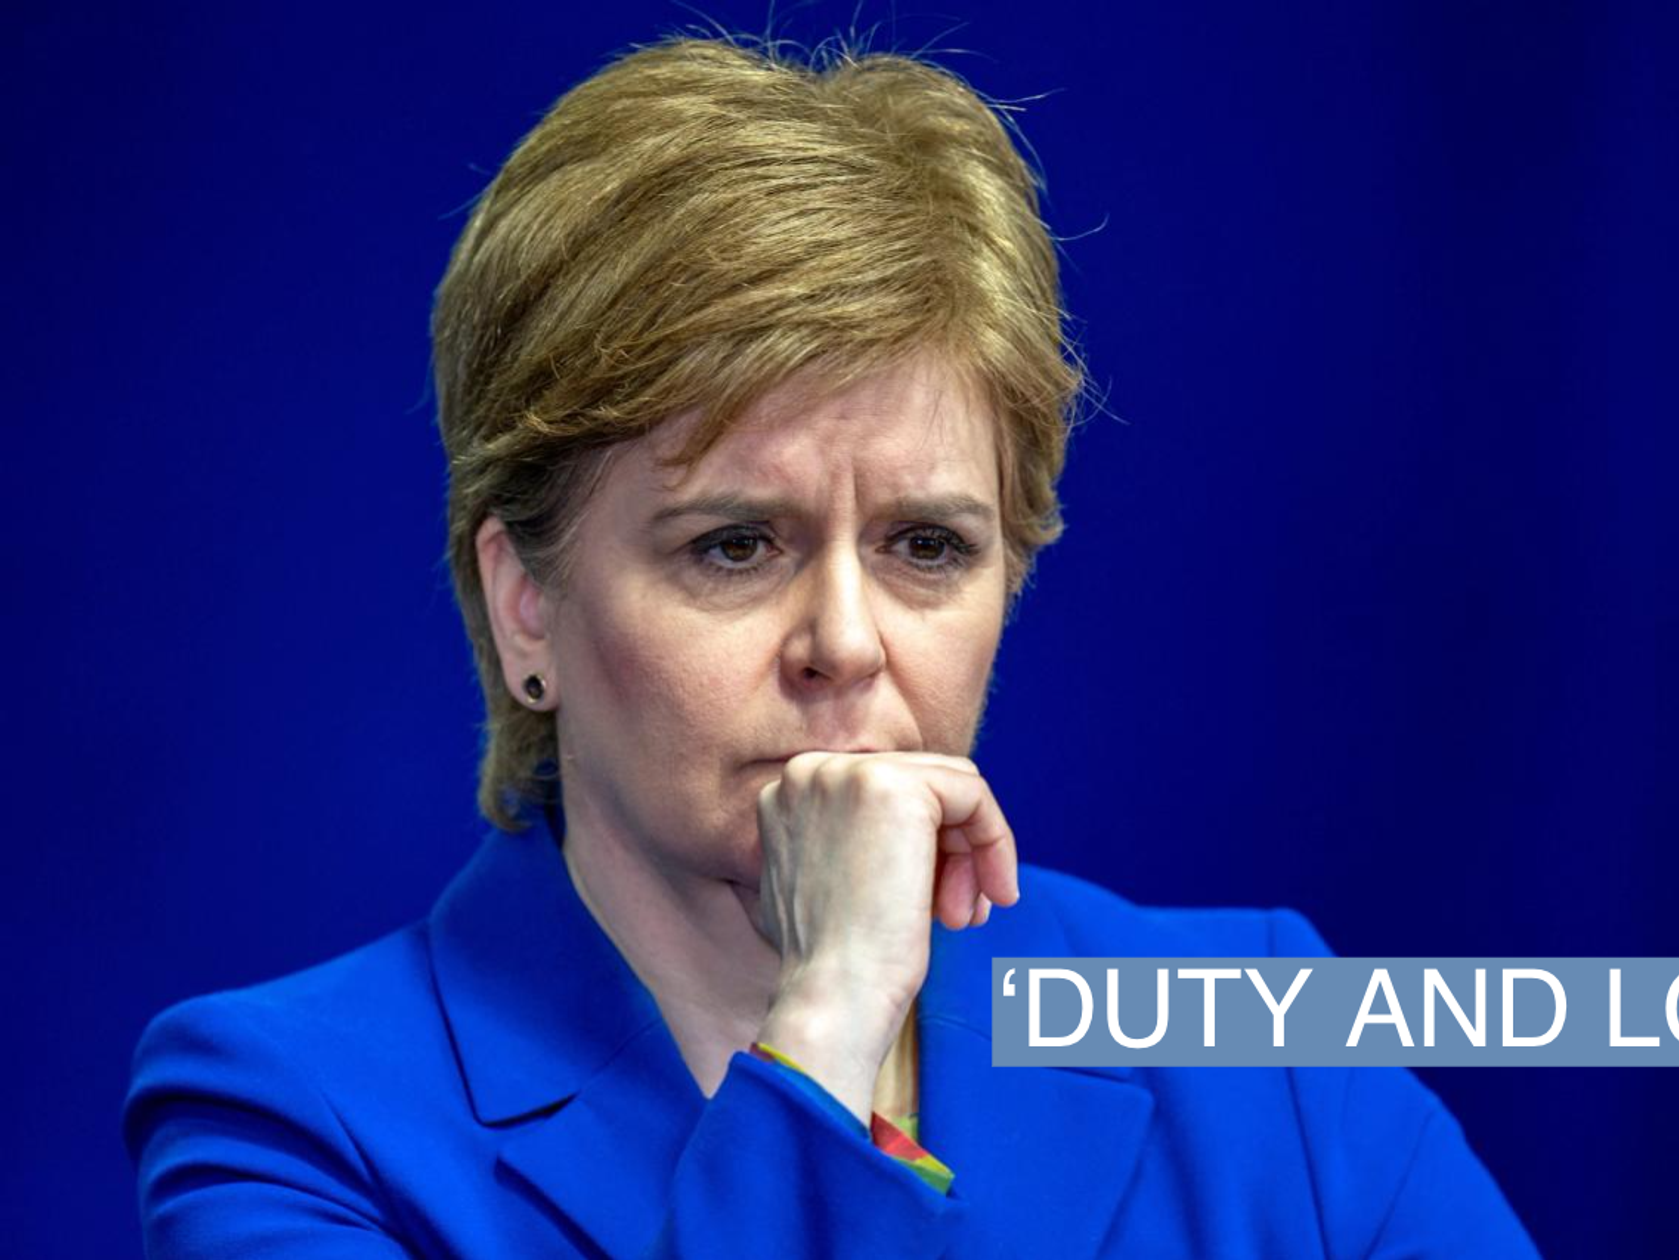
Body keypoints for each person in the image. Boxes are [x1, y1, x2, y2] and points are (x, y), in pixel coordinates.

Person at [123, 32, 1538, 1257]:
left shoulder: (1273, 1049)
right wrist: (835, 1008)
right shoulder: (288, 1117)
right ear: (526, 605)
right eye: (734, 546)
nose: (846, 646)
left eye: (928, 547)